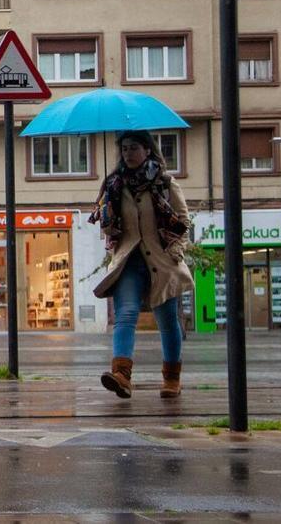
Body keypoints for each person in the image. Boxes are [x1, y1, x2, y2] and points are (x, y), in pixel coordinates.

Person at [90, 130, 192, 399]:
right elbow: (109, 228)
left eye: (133, 148)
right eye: (124, 149)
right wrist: (107, 217)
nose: (128, 153)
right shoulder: (114, 185)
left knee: (167, 320)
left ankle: (172, 379)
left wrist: (176, 253)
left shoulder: (166, 184)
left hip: (161, 259)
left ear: (147, 150)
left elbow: (183, 221)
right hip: (129, 260)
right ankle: (121, 376)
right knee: (125, 315)